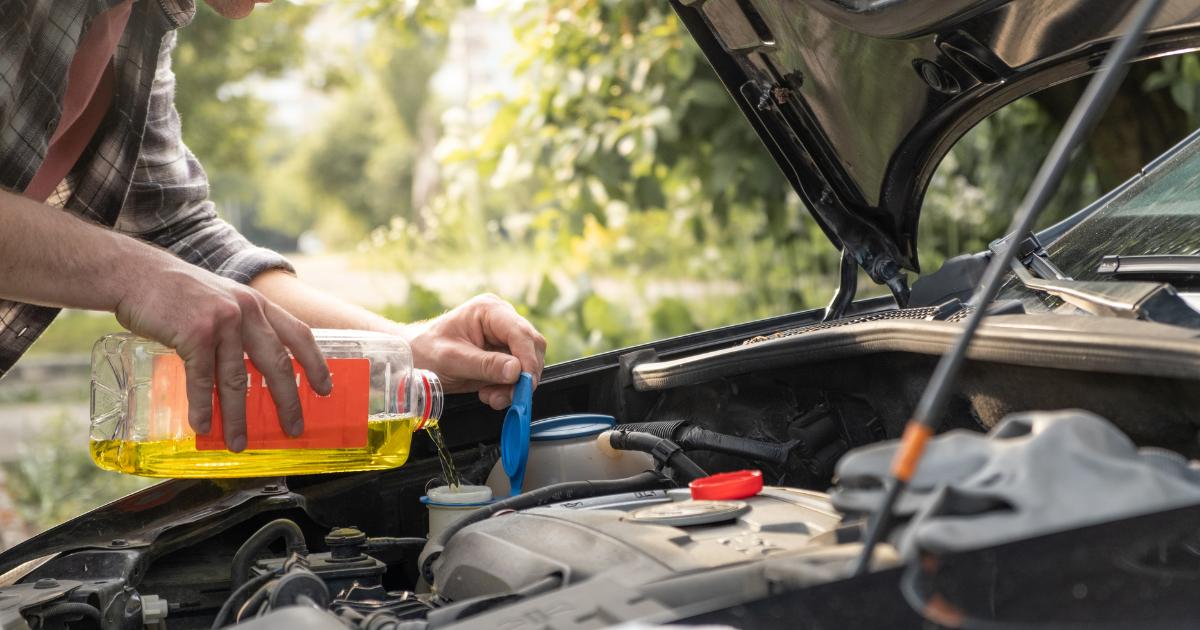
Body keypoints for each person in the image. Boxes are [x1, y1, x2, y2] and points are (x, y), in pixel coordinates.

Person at [0, 0, 547, 453]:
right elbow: (156, 268)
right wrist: (134, 275)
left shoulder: (145, 17)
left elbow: (176, 231)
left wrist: (407, 348)